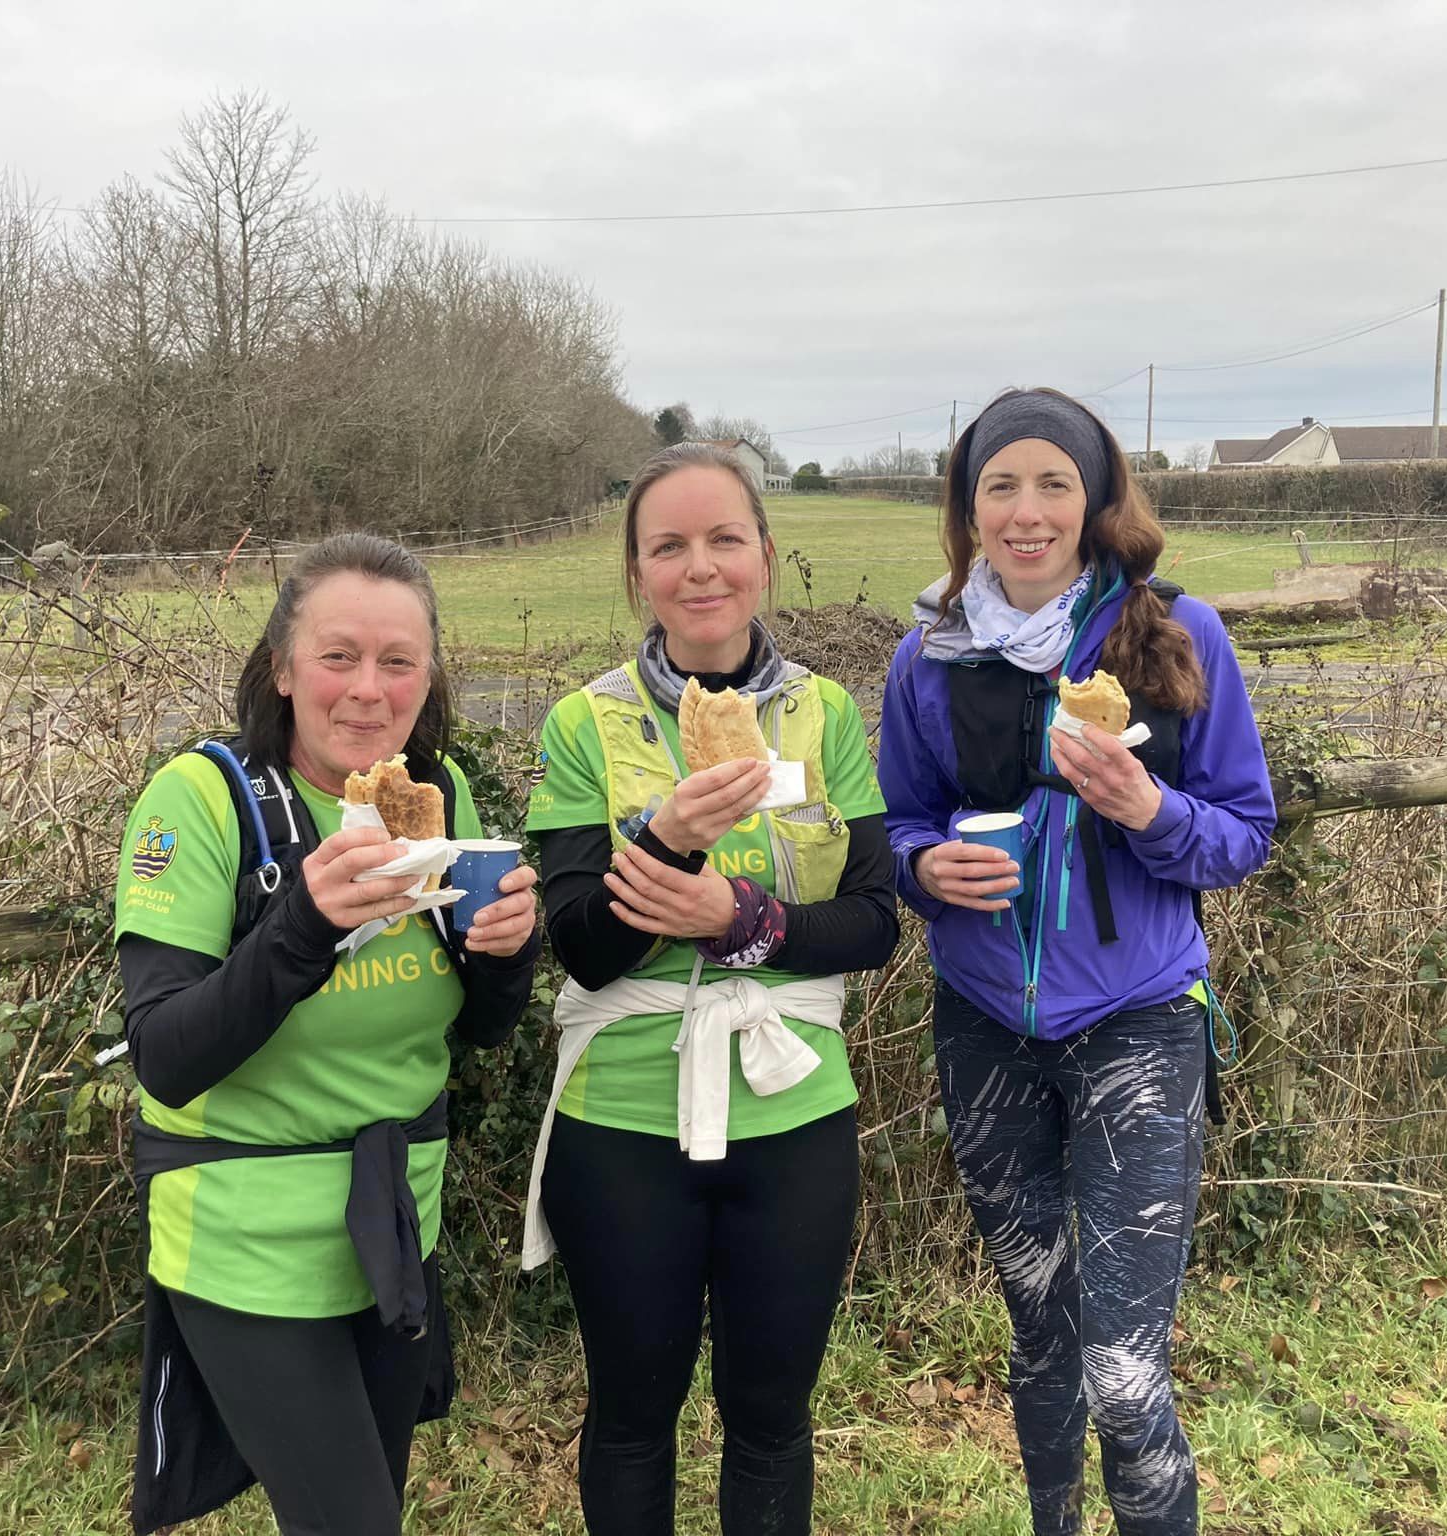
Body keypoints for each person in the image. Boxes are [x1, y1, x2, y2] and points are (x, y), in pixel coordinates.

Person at [877, 390, 1275, 1536]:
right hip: (982, 1024)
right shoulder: (928, 653)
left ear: (1097, 500)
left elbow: (1242, 833)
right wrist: (924, 870)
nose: (1025, 509)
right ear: (966, 507)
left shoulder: (1175, 636)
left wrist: (1150, 810)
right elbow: (899, 823)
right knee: (1039, 1331)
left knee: (1121, 1370)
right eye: (998, 485)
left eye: (1052, 482)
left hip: (1136, 1026)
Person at [112, 533, 541, 1536]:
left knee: (364, 1506)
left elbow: (478, 1031)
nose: (367, 690)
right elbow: (166, 1055)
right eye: (337, 656)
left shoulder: (437, 798)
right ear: (281, 666)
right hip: (243, 1236)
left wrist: (507, 951)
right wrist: (304, 925)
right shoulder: (204, 800)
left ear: (427, 678)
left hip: (393, 1222)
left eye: (398, 662)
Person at [521, 443, 900, 1535]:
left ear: (765, 559)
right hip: (624, 1122)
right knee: (633, 1413)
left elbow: (872, 923)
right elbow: (582, 947)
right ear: (636, 572)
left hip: (796, 1117)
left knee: (771, 1415)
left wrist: (743, 923)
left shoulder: (824, 714)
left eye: (724, 539)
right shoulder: (583, 722)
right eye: (668, 546)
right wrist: (670, 841)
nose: (700, 568)